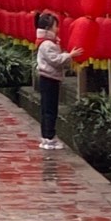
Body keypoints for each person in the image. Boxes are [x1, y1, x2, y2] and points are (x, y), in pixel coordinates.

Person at [32, 10, 72, 148]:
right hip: (49, 79)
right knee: (50, 110)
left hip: (49, 78)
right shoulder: (47, 44)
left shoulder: (48, 42)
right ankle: (49, 138)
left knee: (47, 109)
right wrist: (70, 55)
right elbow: (55, 60)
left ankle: (47, 136)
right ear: (49, 29)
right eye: (56, 26)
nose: (58, 29)